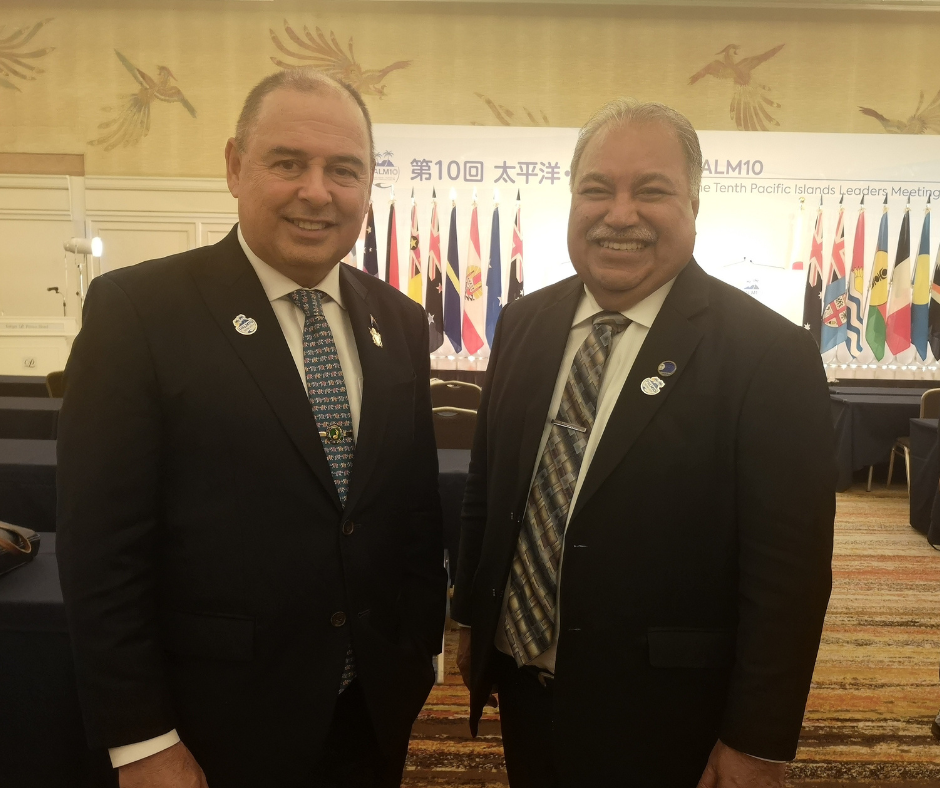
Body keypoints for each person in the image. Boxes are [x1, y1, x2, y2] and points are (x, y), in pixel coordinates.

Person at [57, 69, 445, 788]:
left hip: (370, 711)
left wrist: (416, 653)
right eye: (288, 163)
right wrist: (140, 738)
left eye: (344, 170)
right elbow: (100, 550)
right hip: (211, 726)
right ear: (236, 166)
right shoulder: (138, 312)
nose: (317, 192)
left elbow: (409, 506)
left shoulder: (396, 318)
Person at [452, 99, 835, 788]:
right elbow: (491, 484)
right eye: (597, 189)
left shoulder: (769, 355)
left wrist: (759, 739)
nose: (619, 214)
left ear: (693, 202)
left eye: (650, 191)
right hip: (526, 690)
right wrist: (471, 618)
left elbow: (790, 578)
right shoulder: (525, 321)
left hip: (667, 717)